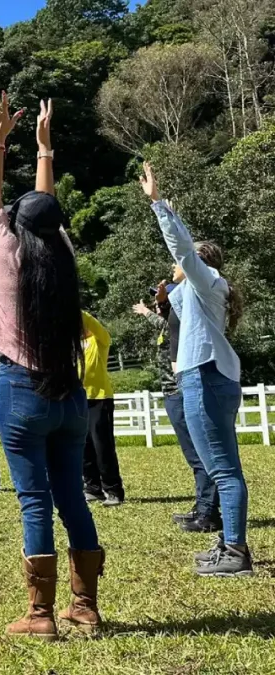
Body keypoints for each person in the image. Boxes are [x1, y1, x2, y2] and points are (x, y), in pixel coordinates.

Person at [0, 95, 103, 639]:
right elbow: (43, 209)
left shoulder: (9, 253)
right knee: (72, 495)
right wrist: (46, 150)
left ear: (17, 225)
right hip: (70, 395)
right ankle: (86, 606)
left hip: (21, 388)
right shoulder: (64, 257)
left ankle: (40, 616)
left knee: (35, 500)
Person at [140, 162, 251, 577]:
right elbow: (176, 290)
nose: (174, 269)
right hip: (201, 376)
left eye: (183, 264)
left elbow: (183, 250)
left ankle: (236, 552)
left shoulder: (206, 283)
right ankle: (228, 543)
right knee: (218, 467)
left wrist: (158, 205)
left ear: (199, 264)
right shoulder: (197, 293)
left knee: (223, 469)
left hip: (205, 376)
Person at [134, 284, 221, 533]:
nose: (159, 303)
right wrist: (158, 305)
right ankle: (204, 507)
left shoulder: (183, 321)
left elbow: (165, 323)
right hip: (174, 393)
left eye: (165, 301)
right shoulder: (173, 321)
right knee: (195, 456)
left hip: (181, 392)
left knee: (198, 456)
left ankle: (208, 513)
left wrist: (147, 311)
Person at [80, 311, 125, 507]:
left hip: (100, 398)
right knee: (83, 447)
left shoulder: (99, 341)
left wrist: (74, 308)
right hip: (78, 401)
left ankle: (113, 489)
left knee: (102, 447)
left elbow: (97, 328)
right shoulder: (71, 346)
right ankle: (92, 488)